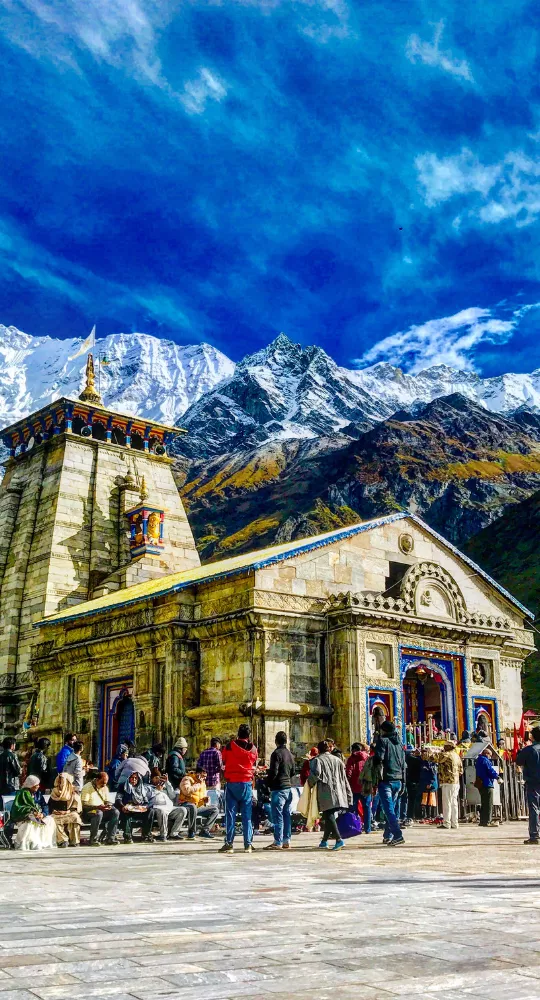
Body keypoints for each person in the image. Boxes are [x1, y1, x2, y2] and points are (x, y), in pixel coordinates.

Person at [220, 723, 258, 854]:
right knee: (247, 816)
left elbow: (223, 760)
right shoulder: (253, 749)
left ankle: (229, 844)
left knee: (230, 814)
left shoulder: (229, 746)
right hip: (246, 783)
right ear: (248, 735)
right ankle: (248, 844)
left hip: (232, 783)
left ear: (238, 734)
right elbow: (254, 762)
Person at [308, 740, 352, 851]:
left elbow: (315, 775)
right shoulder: (338, 760)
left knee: (329, 814)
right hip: (339, 790)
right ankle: (324, 841)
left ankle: (338, 839)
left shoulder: (317, 760)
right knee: (329, 814)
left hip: (326, 792)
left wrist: (309, 784)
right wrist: (348, 793)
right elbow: (344, 777)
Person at [374, 721, 406, 846]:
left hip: (387, 779)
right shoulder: (399, 744)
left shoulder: (383, 741)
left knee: (388, 810)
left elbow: (379, 758)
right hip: (398, 780)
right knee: (391, 809)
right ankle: (388, 835)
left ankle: (398, 835)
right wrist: (403, 781)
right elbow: (404, 765)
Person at [265, 731, 296, 851]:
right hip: (288, 788)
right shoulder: (290, 754)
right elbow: (293, 771)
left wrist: (268, 782)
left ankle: (278, 841)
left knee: (278, 816)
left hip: (279, 788)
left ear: (276, 741)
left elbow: (274, 772)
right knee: (286, 815)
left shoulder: (276, 753)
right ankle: (286, 841)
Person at [10, 776, 56, 850]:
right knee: (30, 822)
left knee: (50, 820)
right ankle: (30, 843)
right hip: (24, 817)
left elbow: (44, 805)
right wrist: (32, 812)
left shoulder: (38, 794)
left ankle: (42, 842)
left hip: (38, 816)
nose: (38, 786)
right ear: (31, 785)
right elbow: (18, 808)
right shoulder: (22, 793)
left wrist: (43, 814)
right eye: (36, 785)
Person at [178, 767, 219, 840]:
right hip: (186, 805)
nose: (204, 778)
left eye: (205, 777)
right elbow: (186, 791)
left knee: (215, 810)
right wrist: (198, 784)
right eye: (203, 776)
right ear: (198, 774)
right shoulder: (187, 779)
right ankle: (191, 831)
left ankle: (205, 830)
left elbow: (200, 796)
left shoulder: (203, 783)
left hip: (198, 806)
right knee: (192, 806)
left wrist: (205, 800)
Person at [81, 771, 120, 846]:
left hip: (101, 809)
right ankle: (93, 839)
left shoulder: (104, 787)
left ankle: (110, 838)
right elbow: (84, 805)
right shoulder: (87, 787)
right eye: (102, 783)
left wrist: (108, 805)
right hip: (89, 812)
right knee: (98, 813)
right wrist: (98, 807)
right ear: (97, 780)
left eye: (105, 783)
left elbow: (106, 800)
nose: (104, 785)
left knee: (115, 812)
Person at [516, 726, 540, 844]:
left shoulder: (529, 750)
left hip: (533, 782)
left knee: (534, 808)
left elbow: (519, 761)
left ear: (533, 736)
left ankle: (535, 835)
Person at [116, 771, 155, 843]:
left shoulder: (143, 788)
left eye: (135, 778)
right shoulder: (123, 787)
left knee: (151, 811)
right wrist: (123, 806)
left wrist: (145, 807)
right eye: (132, 778)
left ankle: (146, 836)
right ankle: (128, 837)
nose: (134, 780)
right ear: (128, 778)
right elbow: (118, 799)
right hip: (128, 809)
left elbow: (149, 801)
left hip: (139, 809)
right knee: (126, 812)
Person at [433, 742, 463, 830]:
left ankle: (446, 823)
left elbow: (434, 758)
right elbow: (461, 771)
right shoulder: (457, 756)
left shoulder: (447, 754)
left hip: (447, 782)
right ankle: (455, 823)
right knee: (454, 803)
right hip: (456, 782)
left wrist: (428, 752)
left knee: (447, 803)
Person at [49, 772, 81, 847]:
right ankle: (62, 840)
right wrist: (54, 810)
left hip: (69, 812)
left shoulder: (73, 792)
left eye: (62, 781)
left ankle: (74, 840)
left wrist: (67, 811)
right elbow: (50, 805)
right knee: (53, 819)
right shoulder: (54, 791)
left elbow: (76, 807)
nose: (61, 784)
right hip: (57, 813)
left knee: (75, 817)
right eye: (59, 781)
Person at [475, 747, 500, 827]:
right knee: (488, 804)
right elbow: (490, 770)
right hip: (487, 783)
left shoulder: (478, 760)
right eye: (490, 755)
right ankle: (487, 821)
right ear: (487, 754)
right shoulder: (485, 760)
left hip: (481, 783)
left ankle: (482, 820)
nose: (490, 757)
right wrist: (497, 777)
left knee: (484, 802)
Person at [147, 773, 175, 841]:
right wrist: (156, 790)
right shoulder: (147, 787)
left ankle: (173, 834)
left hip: (169, 807)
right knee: (162, 811)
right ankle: (163, 835)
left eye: (159, 777)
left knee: (182, 810)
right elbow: (146, 797)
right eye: (156, 778)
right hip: (156, 807)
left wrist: (167, 783)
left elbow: (173, 796)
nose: (158, 779)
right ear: (151, 779)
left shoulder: (165, 786)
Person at [346, 742, 369, 815]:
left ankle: (355, 825)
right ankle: (367, 826)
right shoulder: (367, 758)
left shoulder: (351, 759)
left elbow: (349, 773)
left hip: (354, 787)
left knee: (353, 808)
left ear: (353, 750)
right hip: (366, 786)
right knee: (367, 808)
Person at [419, 754, 438, 822]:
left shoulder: (430, 764)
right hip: (426, 784)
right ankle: (427, 815)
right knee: (427, 799)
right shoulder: (426, 763)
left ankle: (430, 815)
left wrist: (430, 783)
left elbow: (433, 774)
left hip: (429, 784)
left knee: (430, 800)